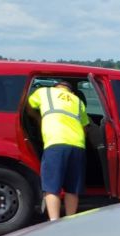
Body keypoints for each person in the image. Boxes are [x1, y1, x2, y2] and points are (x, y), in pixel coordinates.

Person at [27, 80, 89, 221]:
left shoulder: (44, 92)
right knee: (72, 189)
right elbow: (85, 128)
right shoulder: (78, 101)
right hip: (78, 145)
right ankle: (70, 221)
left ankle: (54, 222)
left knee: (52, 187)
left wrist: (38, 118)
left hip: (55, 142)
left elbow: (27, 106)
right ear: (71, 92)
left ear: (55, 87)